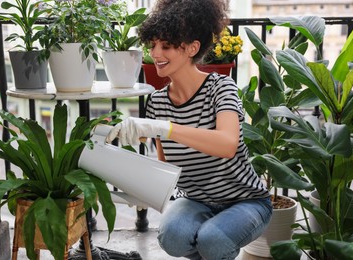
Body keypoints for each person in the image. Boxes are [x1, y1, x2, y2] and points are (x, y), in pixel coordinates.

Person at [106, 0, 272, 259]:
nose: (156, 54)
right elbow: (167, 168)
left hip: (245, 201)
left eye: (167, 46)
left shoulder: (221, 88)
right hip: (196, 200)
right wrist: (130, 189)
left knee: (213, 240)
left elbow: (227, 144)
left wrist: (166, 128)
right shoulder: (158, 102)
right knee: (172, 237)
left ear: (193, 48)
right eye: (153, 45)